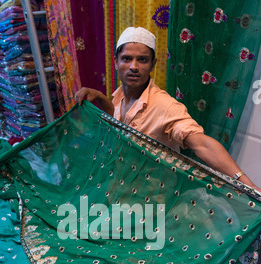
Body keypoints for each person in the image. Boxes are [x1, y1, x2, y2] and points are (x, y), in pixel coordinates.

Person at [75, 27, 260, 192]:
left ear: (153, 64)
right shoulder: (118, 96)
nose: (133, 67)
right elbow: (116, 127)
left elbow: (201, 144)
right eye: (126, 59)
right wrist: (100, 98)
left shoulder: (164, 106)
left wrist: (247, 184)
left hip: (156, 200)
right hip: (120, 189)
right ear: (115, 62)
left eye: (142, 60)